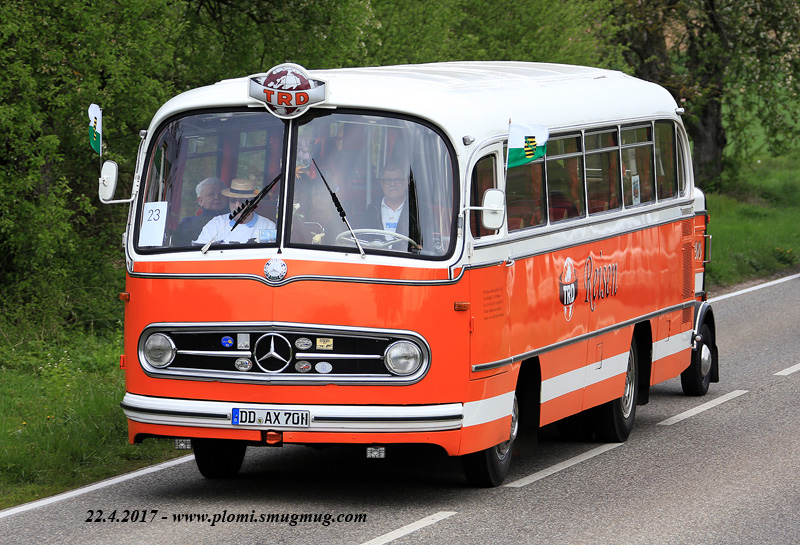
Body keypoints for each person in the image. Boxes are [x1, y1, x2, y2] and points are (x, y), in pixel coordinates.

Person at [194, 178, 276, 245]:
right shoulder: (215, 224)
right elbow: (199, 254)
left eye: (243, 201)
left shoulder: (268, 226)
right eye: (233, 200)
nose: (237, 205)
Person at [172, 177, 227, 245]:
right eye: (211, 194)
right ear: (200, 200)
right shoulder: (188, 224)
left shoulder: (236, 219)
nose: (217, 197)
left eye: (220, 194)